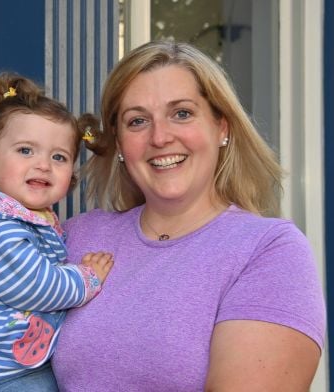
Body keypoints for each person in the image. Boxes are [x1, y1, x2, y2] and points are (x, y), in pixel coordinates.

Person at [51, 40, 326, 391]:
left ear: (221, 127)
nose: (161, 137)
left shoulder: (267, 250)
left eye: (181, 113)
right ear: (120, 145)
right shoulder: (76, 236)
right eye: (137, 121)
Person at [0, 74, 113, 392]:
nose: (43, 164)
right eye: (25, 151)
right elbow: (38, 286)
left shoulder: (13, 218)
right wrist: (88, 278)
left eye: (58, 156)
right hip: (2, 376)